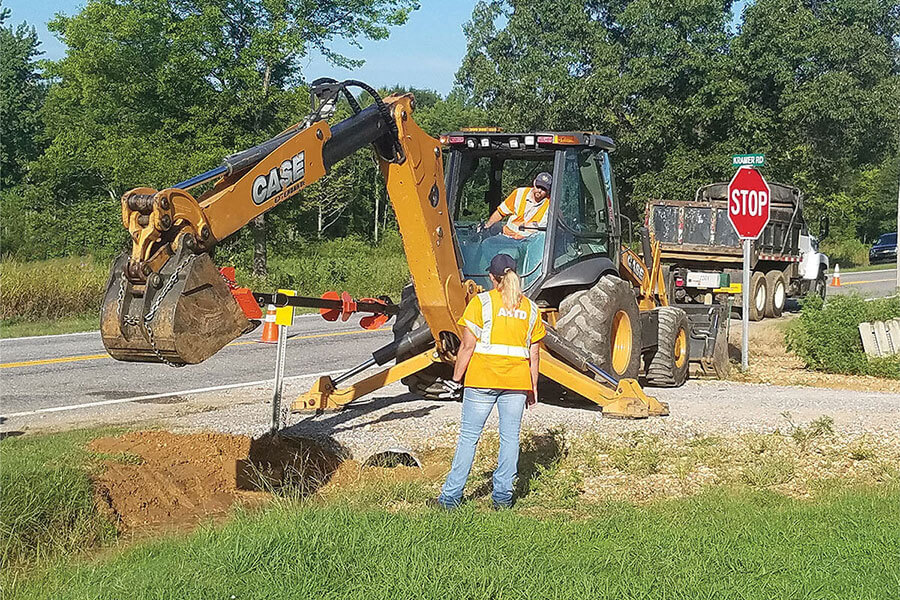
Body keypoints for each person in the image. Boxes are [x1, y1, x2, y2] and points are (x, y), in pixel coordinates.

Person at [436, 253, 546, 509]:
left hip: (482, 379)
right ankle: (503, 498)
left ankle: (451, 498)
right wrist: (533, 387)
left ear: (492, 277)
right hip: (517, 382)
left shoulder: (481, 303)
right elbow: (535, 353)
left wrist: (456, 378)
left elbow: (467, 346)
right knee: (510, 439)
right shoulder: (531, 308)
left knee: (468, 438)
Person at [483, 172, 552, 239]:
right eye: (538, 186)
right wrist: (486, 227)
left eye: (543, 189)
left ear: (548, 191)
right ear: (534, 183)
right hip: (506, 237)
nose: (539, 190)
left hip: (528, 243)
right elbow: (500, 212)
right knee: (487, 244)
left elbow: (541, 230)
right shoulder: (519, 193)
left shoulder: (550, 205)